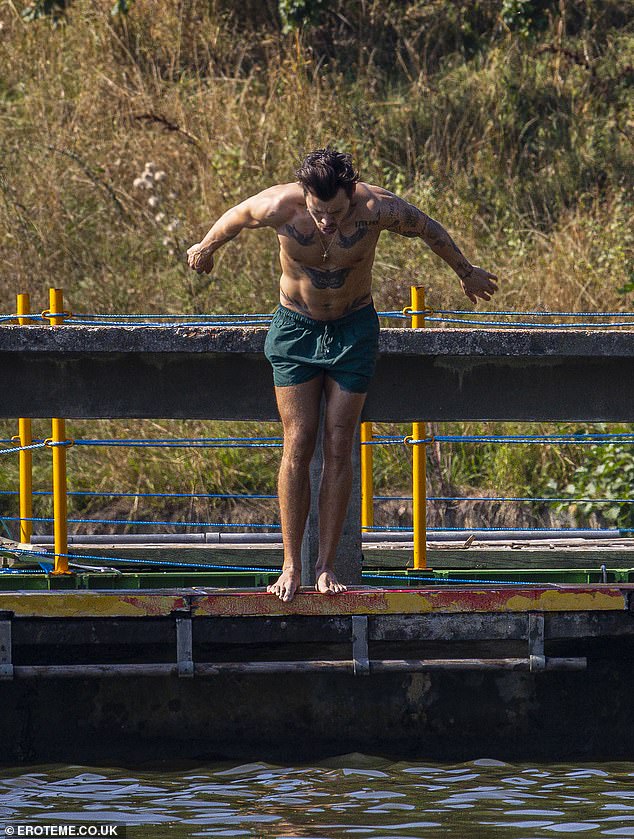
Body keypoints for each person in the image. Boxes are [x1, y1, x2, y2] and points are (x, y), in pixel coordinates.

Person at [187, 147, 498, 602]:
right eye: (318, 212)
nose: (327, 223)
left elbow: (428, 229)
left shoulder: (377, 209)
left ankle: (326, 565)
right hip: (296, 327)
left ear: (351, 196)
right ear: (305, 198)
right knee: (298, 439)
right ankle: (291, 564)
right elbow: (234, 219)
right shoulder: (280, 206)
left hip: (354, 328)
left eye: (335, 212)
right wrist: (205, 247)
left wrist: (466, 273)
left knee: (339, 442)